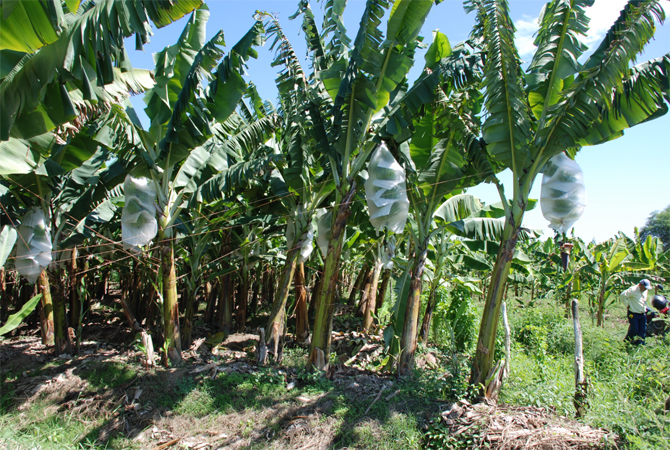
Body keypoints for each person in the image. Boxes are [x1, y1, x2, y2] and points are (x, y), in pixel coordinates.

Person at [620, 279, 652, 344]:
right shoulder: (633, 290)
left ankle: (639, 345)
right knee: (634, 330)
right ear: (640, 285)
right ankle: (626, 342)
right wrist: (626, 305)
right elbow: (622, 295)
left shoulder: (645, 291)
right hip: (633, 313)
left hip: (642, 313)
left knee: (642, 331)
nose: (645, 289)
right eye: (644, 287)